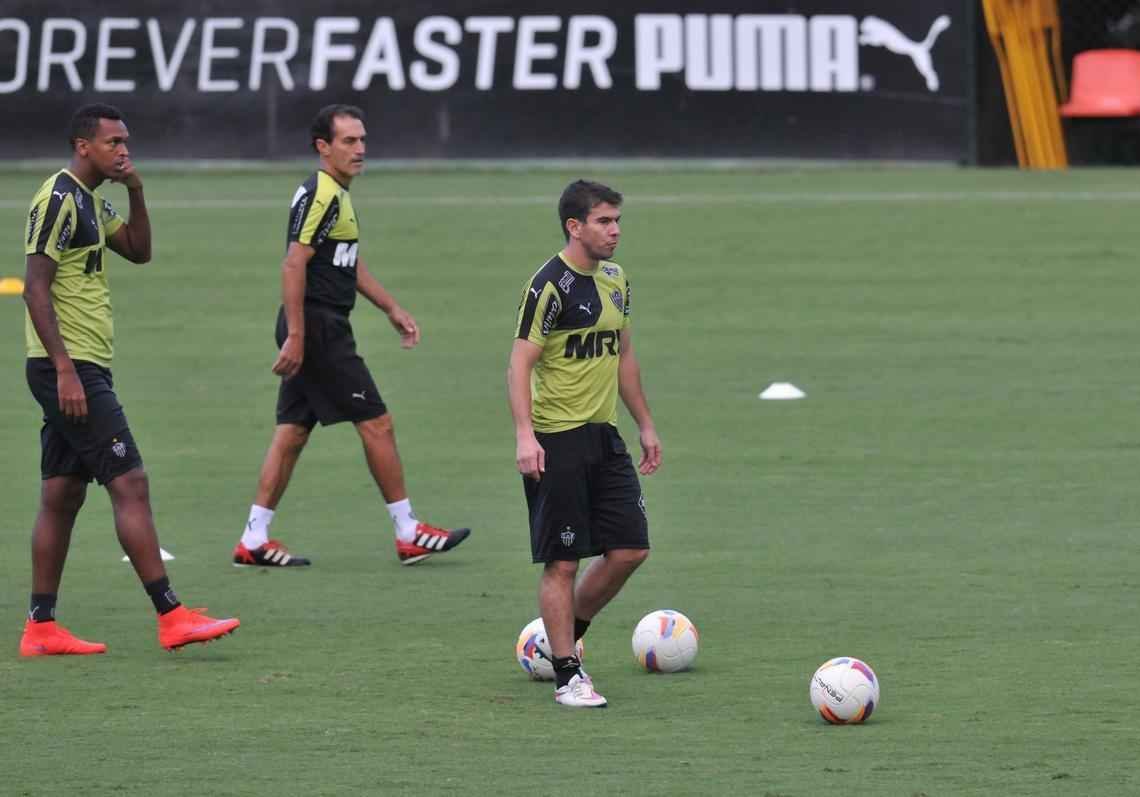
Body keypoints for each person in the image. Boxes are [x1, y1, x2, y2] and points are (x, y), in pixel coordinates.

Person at [20, 103, 240, 656]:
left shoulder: (95, 199)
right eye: (113, 142)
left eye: (127, 142)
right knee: (130, 482)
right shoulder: (59, 199)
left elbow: (139, 252)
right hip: (69, 367)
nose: (124, 149)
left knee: (62, 493)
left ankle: (40, 628)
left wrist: (137, 190)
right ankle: (171, 616)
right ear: (82, 145)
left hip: (81, 365)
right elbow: (34, 289)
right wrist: (66, 371)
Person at [232, 104, 469, 568]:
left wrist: (390, 307)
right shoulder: (322, 192)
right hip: (318, 327)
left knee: (292, 432)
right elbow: (294, 263)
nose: (360, 149)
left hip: (318, 323)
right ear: (323, 147)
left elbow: (345, 262)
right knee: (376, 422)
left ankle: (254, 539)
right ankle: (408, 530)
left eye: (362, 140)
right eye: (348, 141)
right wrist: (298, 335)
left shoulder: (335, 194)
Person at [507, 180, 662, 708]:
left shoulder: (617, 281)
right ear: (575, 227)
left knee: (631, 549)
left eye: (617, 220)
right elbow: (519, 362)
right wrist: (525, 436)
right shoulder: (549, 286)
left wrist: (644, 423)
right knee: (564, 562)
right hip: (557, 439)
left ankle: (564, 635)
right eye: (603, 221)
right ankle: (568, 674)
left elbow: (624, 355)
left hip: (604, 435)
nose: (615, 230)